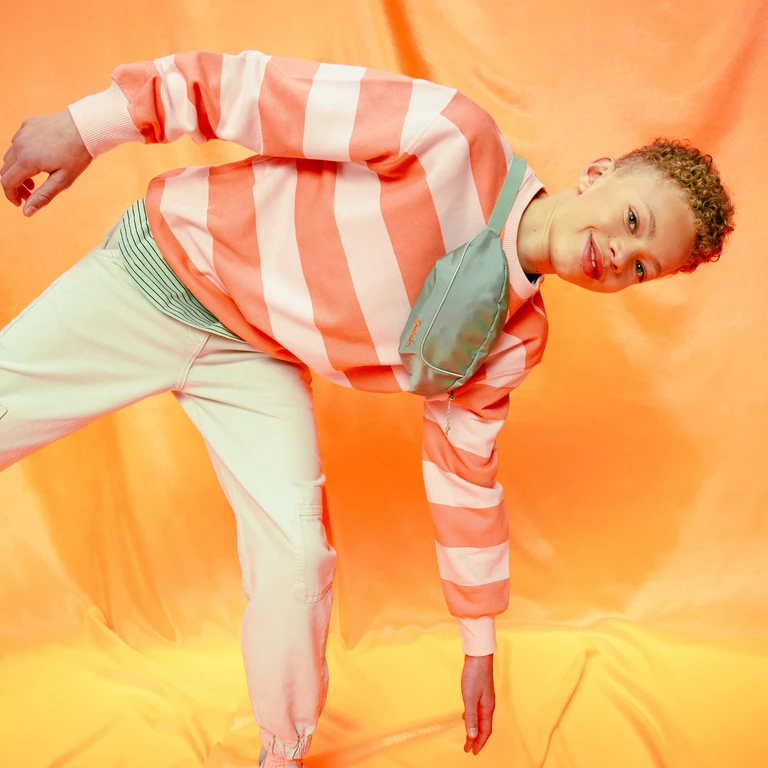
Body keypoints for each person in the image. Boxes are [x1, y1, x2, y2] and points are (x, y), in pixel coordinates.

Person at [0, 49, 734, 768]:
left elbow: (465, 475)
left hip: (254, 355)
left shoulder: (516, 339)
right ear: (598, 174)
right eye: (633, 220)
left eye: (644, 268)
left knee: (297, 557)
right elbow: (255, 91)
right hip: (165, 267)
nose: (621, 255)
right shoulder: (452, 136)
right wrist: (88, 126)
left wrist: (478, 643)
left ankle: (281, 754)